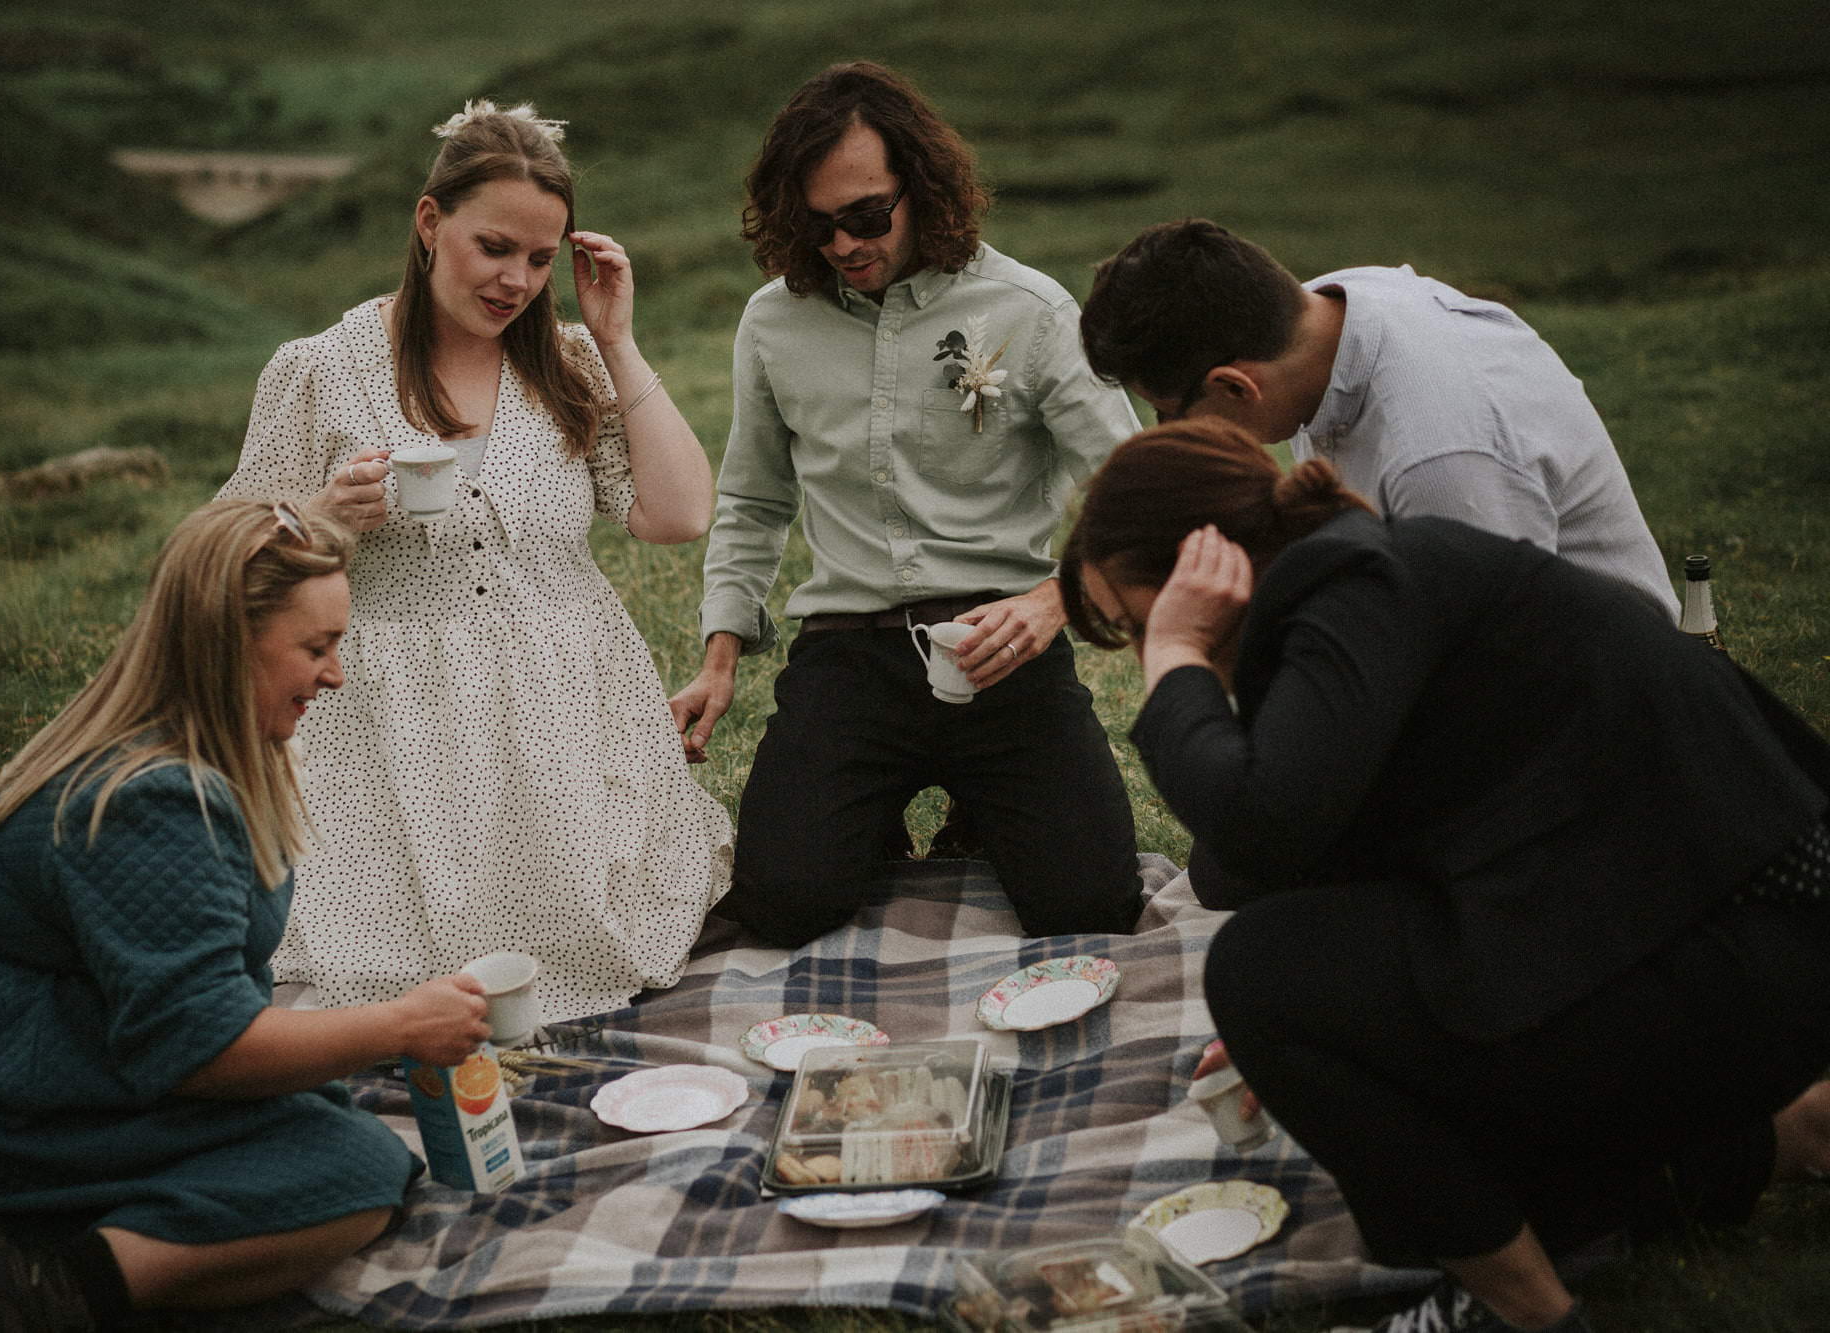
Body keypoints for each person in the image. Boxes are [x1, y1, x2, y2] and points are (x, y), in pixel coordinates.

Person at [1057, 418, 1830, 1333]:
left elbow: (1258, 830)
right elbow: (1267, 858)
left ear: (1200, 564)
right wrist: (1351, 1028)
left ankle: (1521, 1312)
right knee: (1372, 1066)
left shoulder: (1352, 583)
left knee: (1261, 976)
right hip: (1713, 940)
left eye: (1131, 618)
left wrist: (1176, 656)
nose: (1138, 640)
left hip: (1740, 945)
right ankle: (1789, 1136)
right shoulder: (1348, 588)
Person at [0, 500, 493, 1330]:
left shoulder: (193, 752)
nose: (336, 674)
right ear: (226, 640)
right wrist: (400, 1025)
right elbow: (199, 1047)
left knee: (338, 1132)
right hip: (1, 1115)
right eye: (316, 647)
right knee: (351, 1177)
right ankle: (41, 1290)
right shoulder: (156, 798)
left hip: (82, 1062)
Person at [217, 100, 731, 1023]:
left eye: (541, 259)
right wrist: (324, 516)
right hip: (390, 725)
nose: (517, 281)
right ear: (429, 223)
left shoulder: (568, 362)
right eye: (495, 247)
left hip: (567, 710)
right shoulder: (325, 369)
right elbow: (220, 557)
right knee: (383, 968)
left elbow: (679, 512)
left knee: (586, 940)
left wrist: (616, 337)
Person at [667, 61, 1143, 946]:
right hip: (850, 651)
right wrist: (721, 654)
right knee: (784, 904)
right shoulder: (773, 321)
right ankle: (870, 813)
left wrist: (1053, 603)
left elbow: (1131, 483)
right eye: (817, 226)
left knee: (1091, 907)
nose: (844, 244)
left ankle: (982, 811)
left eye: (866, 215)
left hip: (1003, 643)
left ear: (922, 188)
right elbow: (753, 496)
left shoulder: (1031, 310)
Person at [1079, 218, 1679, 617]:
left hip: (1593, 716)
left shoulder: (1441, 461)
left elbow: (1496, 671)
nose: (1170, 434)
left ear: (1236, 385)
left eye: (1168, 412)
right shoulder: (1323, 314)